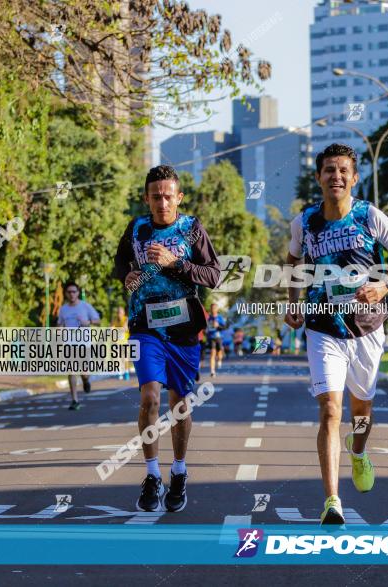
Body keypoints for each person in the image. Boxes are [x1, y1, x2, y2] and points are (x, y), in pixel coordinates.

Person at [285, 143, 388, 526]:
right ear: (319, 178)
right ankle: (332, 501)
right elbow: (293, 262)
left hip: (367, 328)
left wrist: (384, 286)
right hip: (323, 326)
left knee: (361, 411)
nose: (336, 176)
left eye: (343, 170)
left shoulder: (371, 217)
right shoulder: (304, 223)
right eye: (329, 170)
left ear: (354, 178)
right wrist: (292, 300)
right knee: (330, 409)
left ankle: (359, 452)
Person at [114, 164, 220, 513]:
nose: (162, 203)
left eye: (168, 197)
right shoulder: (137, 229)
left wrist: (176, 263)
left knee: (181, 405)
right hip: (145, 326)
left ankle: (179, 470)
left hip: (183, 329)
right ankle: (151, 474)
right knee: (150, 396)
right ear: (146, 198)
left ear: (179, 198)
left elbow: (214, 275)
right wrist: (128, 277)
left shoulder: (191, 229)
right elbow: (121, 268)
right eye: (155, 196)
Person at [57, 281, 100, 410]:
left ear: (78, 293)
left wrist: (88, 322)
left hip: (84, 344)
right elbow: (59, 324)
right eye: (69, 292)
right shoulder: (63, 309)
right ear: (66, 293)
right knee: (71, 371)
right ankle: (74, 400)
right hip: (69, 344)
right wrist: (59, 329)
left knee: (84, 371)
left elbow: (98, 321)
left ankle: (86, 380)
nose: (71, 294)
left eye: (74, 292)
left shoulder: (85, 306)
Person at [205, 303, 226, 377]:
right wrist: (206, 331)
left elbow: (224, 327)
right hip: (211, 338)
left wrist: (218, 326)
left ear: (217, 309)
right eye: (211, 308)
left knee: (219, 353)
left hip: (219, 337)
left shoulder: (220, 317)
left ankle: (220, 360)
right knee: (212, 354)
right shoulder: (208, 318)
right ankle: (212, 371)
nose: (213, 309)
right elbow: (206, 328)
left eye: (214, 308)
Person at [110, 306, 131, 381]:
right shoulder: (114, 319)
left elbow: (125, 328)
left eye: (120, 312)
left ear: (123, 313)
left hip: (125, 341)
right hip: (117, 342)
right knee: (117, 357)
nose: (119, 314)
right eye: (118, 312)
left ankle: (126, 372)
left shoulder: (126, 319)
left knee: (125, 358)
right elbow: (111, 329)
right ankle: (120, 372)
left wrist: (117, 330)